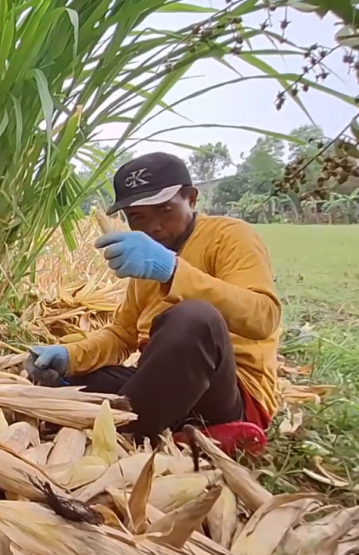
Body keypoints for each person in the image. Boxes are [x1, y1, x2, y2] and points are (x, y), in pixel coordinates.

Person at [27, 152, 281, 449]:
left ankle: (123, 437)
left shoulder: (230, 237)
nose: (152, 227)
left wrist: (172, 271)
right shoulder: (147, 258)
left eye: (164, 209)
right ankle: (168, 429)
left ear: (192, 198)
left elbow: (263, 317)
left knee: (194, 319)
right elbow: (122, 336)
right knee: (81, 378)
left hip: (227, 392)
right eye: (137, 217)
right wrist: (68, 357)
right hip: (166, 389)